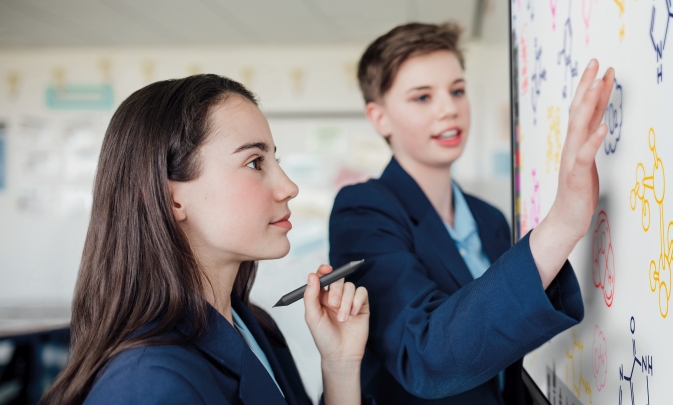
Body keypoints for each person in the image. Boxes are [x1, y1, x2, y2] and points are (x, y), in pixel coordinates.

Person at [41, 74, 372, 405]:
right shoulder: (147, 383)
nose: (289, 187)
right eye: (255, 162)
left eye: (276, 161)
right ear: (173, 200)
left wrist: (340, 366)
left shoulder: (253, 326)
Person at [329, 22, 615, 404]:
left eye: (457, 90)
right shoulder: (363, 211)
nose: (449, 108)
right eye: (422, 97)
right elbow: (423, 355)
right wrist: (561, 223)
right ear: (379, 117)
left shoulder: (490, 219)